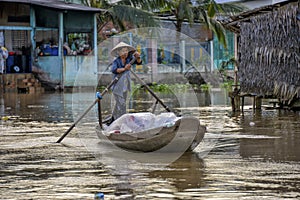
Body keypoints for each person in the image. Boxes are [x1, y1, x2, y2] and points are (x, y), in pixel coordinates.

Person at [110, 42, 142, 122]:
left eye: (126, 50)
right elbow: (114, 70)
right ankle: (122, 121)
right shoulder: (116, 61)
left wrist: (138, 57)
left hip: (125, 86)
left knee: (119, 104)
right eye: (123, 51)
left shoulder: (129, 59)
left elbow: (139, 62)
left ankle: (112, 120)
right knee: (122, 105)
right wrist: (124, 69)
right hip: (117, 87)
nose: (125, 52)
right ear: (119, 53)